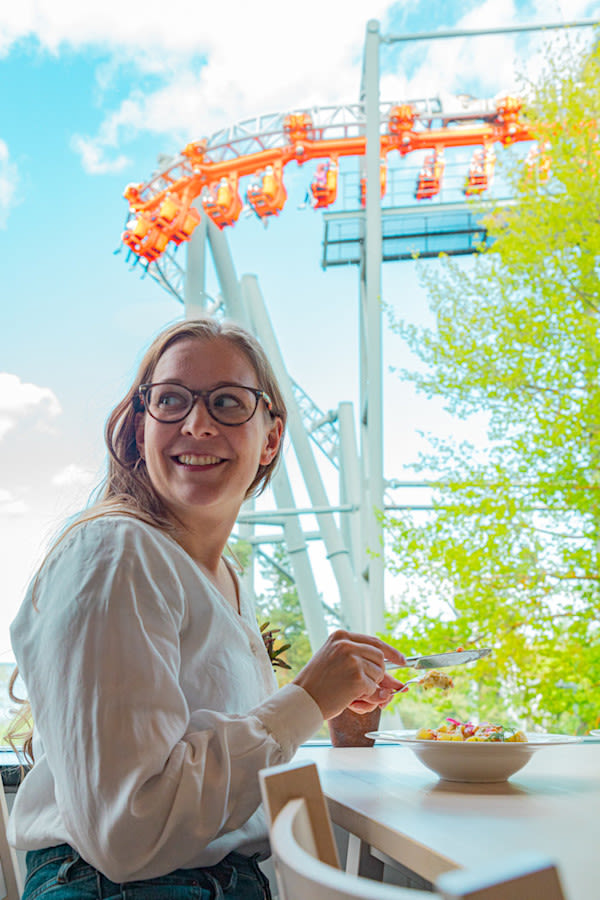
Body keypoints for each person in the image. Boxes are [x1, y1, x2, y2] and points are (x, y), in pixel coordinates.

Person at [7, 317, 405, 899]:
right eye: (170, 400)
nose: (196, 424)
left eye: (227, 402)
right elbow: (129, 834)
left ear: (270, 438)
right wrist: (305, 701)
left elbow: (205, 758)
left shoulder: (220, 576)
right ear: (142, 426)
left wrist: (327, 710)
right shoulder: (117, 552)